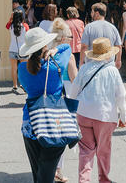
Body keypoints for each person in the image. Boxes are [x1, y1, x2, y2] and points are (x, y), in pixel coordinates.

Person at [69, 38, 126, 183]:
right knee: (103, 150)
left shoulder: (84, 68)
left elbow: (73, 93)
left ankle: (84, 179)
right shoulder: (113, 71)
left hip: (83, 113)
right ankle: (104, 179)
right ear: (109, 54)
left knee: (86, 151)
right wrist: (123, 117)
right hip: (105, 116)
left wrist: (71, 114)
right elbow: (121, 96)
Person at [18, 28, 71, 183]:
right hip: (54, 123)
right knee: (47, 172)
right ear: (44, 47)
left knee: (37, 172)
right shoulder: (57, 65)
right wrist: (55, 49)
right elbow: (67, 47)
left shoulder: (22, 69)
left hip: (31, 122)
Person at [50, 17, 79, 183]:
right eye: (69, 37)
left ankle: (52, 168)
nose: (70, 40)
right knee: (63, 133)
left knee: (52, 132)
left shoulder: (47, 52)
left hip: (51, 95)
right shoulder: (68, 56)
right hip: (65, 94)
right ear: (62, 39)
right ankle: (58, 170)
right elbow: (75, 79)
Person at [80, 3, 122, 69]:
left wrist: (81, 62)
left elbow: (84, 47)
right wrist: (118, 60)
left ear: (96, 13)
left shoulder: (89, 27)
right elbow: (118, 46)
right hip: (109, 65)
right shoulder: (113, 27)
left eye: (92, 12)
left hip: (92, 65)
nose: (91, 14)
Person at [9, 10, 29, 94]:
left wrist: (11, 16)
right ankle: (24, 85)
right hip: (23, 50)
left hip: (12, 49)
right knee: (24, 69)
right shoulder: (25, 26)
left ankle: (15, 86)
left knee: (14, 69)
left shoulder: (10, 26)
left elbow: (8, 23)